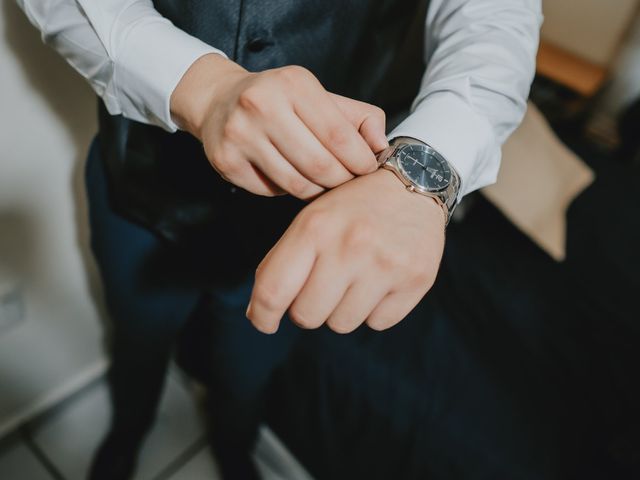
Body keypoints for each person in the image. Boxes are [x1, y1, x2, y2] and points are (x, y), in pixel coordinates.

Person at [18, 0, 542, 478]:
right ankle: (128, 432)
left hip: (300, 223)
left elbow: (496, 17)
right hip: (141, 190)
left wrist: (426, 167)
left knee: (247, 374)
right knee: (137, 345)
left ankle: (233, 444)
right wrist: (204, 87)